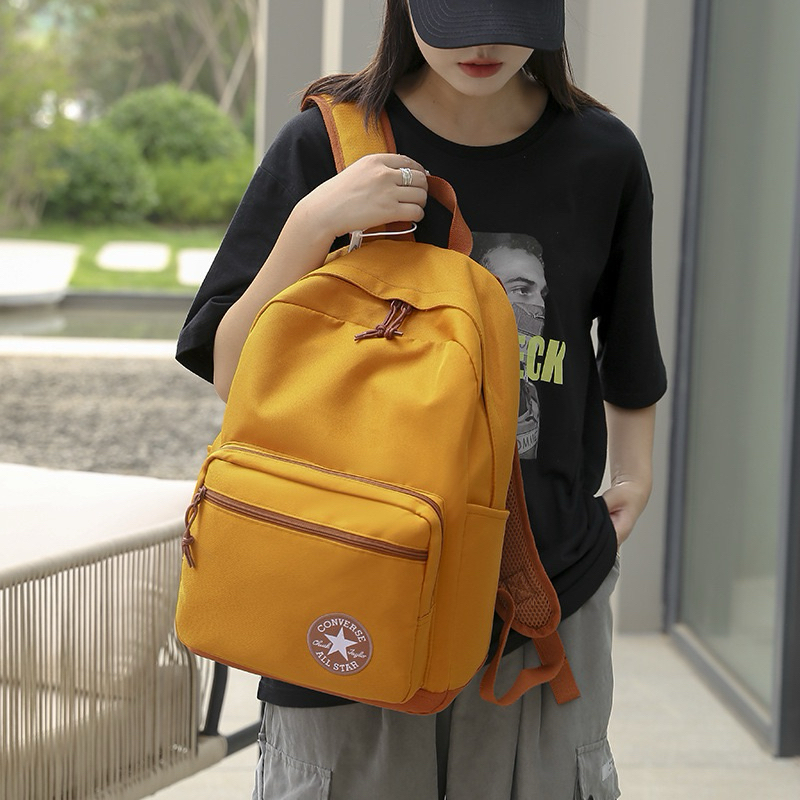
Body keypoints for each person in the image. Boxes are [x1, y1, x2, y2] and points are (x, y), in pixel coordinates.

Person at [176, 0, 667, 797]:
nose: (484, 41)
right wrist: (314, 223)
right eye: (459, 13)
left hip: (539, 587)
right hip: (343, 574)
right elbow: (233, 371)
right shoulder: (327, 144)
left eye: (509, 13)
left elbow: (628, 341)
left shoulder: (602, 155)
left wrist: (635, 477)